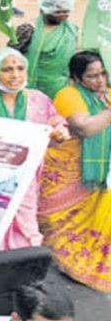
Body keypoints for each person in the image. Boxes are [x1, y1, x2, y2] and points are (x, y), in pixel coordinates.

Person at [0, 48, 68, 251]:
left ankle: (19, 266)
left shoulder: (38, 99)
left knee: (25, 225)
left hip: (25, 177)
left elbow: (55, 125)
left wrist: (60, 132)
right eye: (7, 69)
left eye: (20, 68)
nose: (15, 75)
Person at [40, 50, 111, 292]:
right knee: (61, 224)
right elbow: (84, 128)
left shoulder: (108, 94)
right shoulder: (68, 95)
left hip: (101, 173)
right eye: (91, 76)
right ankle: (67, 259)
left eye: (102, 73)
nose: (99, 80)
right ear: (76, 78)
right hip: (70, 171)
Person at [20, 0, 78, 99]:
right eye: (57, 12)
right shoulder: (29, 29)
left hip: (58, 85)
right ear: (44, 11)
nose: (62, 15)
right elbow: (12, 53)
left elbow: (74, 54)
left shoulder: (71, 31)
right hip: (31, 83)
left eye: (66, 11)